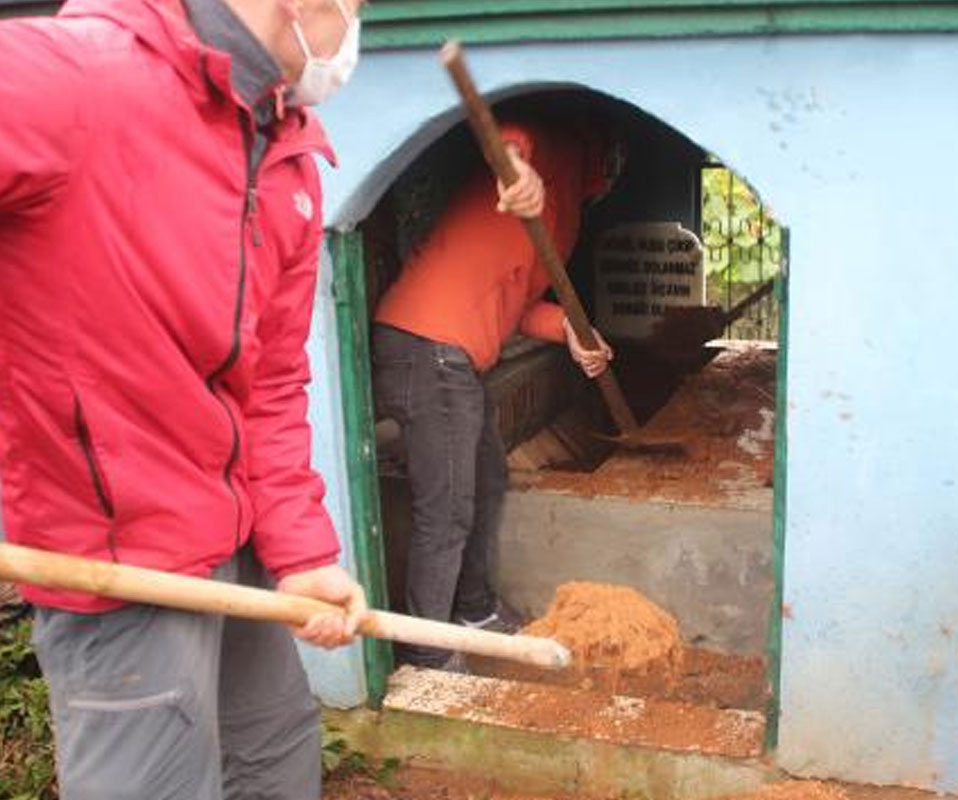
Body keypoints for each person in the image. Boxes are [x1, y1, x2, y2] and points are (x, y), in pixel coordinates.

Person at [0, 0, 537, 795]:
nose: (354, 28)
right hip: (120, 564)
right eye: (352, 6)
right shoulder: (68, 80)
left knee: (278, 765)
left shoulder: (285, 159)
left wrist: (301, 556)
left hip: (239, 545)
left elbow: (272, 386)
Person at [373, 115, 621, 670]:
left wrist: (571, 333)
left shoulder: (564, 216)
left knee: (485, 481)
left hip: (455, 354)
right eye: (612, 160)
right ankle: (428, 652)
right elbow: (514, 133)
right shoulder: (561, 148)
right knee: (447, 507)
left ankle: (475, 611)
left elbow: (514, 305)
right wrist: (515, 163)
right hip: (427, 343)